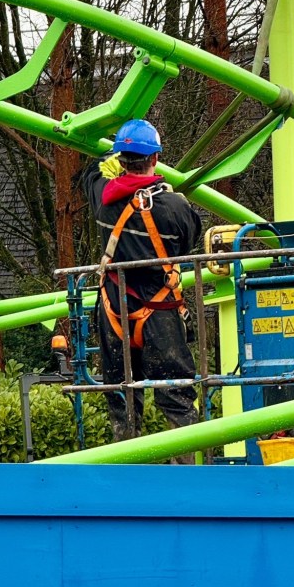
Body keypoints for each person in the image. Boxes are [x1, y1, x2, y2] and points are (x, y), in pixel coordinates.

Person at [83, 119, 201, 450]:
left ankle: (127, 465)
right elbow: (189, 239)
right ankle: (187, 466)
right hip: (160, 310)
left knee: (121, 395)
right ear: (155, 159)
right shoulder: (175, 207)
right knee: (176, 395)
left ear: (120, 161)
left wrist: (106, 158)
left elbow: (91, 173)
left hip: (114, 309)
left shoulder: (103, 199)